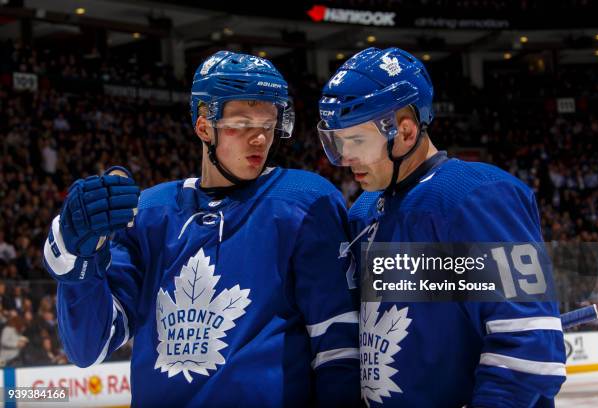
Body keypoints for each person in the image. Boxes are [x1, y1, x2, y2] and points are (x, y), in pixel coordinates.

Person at [43, 51, 360, 407]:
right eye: (242, 124)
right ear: (204, 126)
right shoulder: (150, 213)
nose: (259, 138)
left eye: (268, 124)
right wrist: (79, 262)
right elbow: (88, 347)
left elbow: (338, 346)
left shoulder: (304, 203)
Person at [318, 47, 566, 407]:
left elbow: (528, 346)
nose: (345, 157)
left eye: (356, 140)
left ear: (404, 131)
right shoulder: (365, 210)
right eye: (338, 142)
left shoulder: (478, 196)